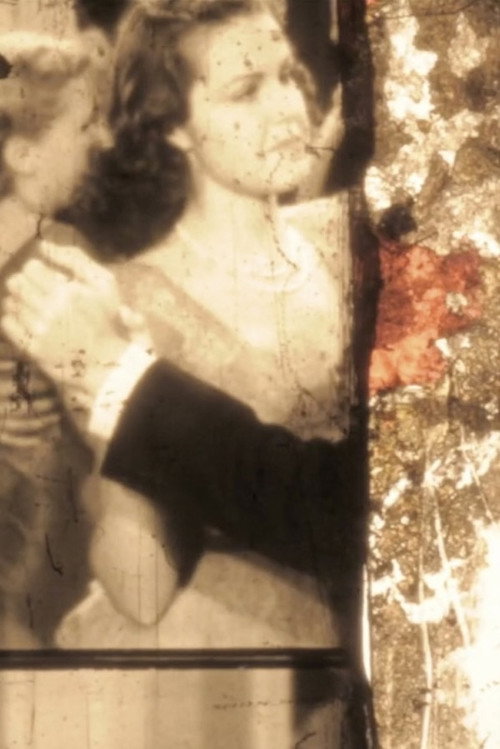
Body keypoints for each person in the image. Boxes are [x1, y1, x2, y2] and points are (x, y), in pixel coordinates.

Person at [2, 0, 360, 630]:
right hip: (244, 640)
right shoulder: (130, 297)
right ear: (175, 126)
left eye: (286, 75)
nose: (286, 108)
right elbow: (142, 589)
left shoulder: (359, 239)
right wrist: (105, 410)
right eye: (245, 91)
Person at [0, 29, 111, 646]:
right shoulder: (61, 257)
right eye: (85, 125)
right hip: (34, 546)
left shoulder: (57, 245)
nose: (101, 139)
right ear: (23, 154)